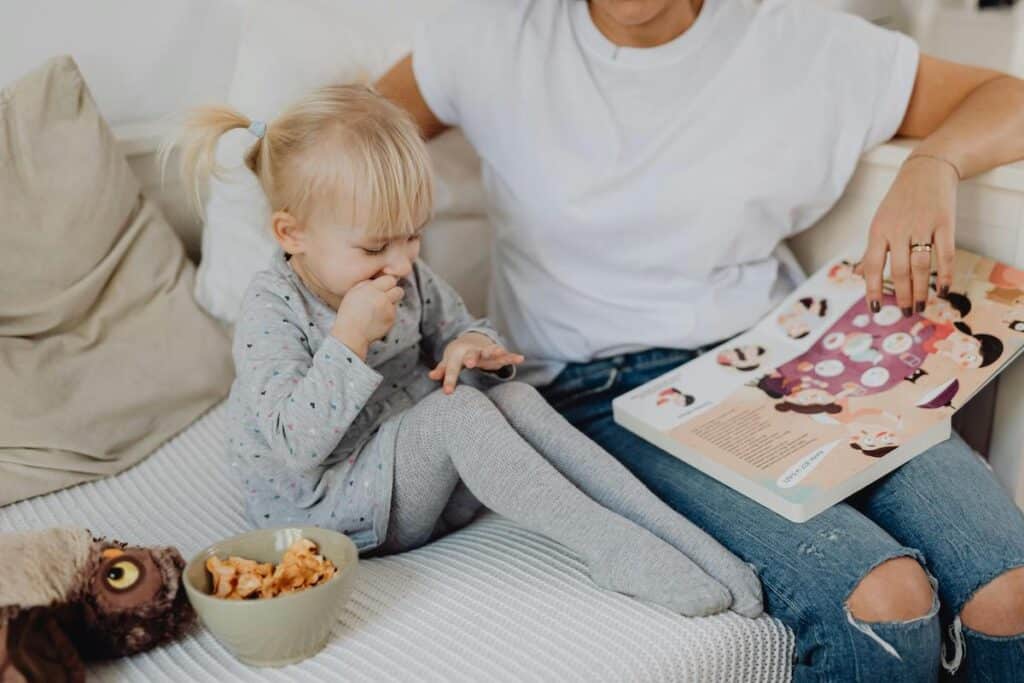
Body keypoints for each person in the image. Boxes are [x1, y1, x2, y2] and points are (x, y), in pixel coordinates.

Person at [376, 0, 1024, 679]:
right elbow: (346, 146)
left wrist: (935, 162)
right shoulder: (492, 33)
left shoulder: (799, 40)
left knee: (1008, 592)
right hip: (597, 394)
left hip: (783, 364)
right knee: (882, 603)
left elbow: (1003, 96)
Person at [165, 83, 765, 617]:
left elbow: (463, 325)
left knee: (517, 397)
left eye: (413, 235)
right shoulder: (272, 313)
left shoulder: (403, 273)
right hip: (335, 513)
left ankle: (677, 537)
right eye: (376, 246)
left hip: (426, 484)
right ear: (291, 235)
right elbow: (296, 447)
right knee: (459, 414)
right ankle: (609, 549)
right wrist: (349, 338)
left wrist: (475, 346)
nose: (402, 263)